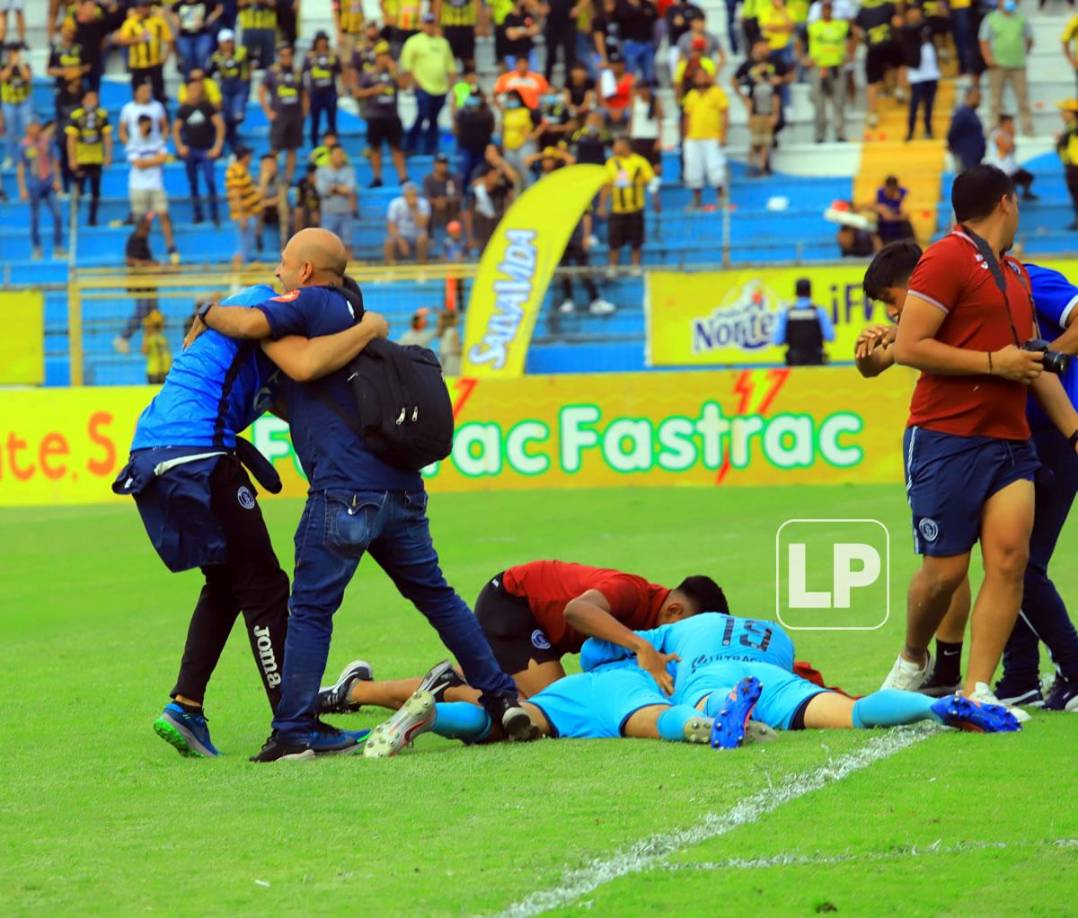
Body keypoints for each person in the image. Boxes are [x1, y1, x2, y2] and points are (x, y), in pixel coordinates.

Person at [193, 228, 534, 761]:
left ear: (305, 271)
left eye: (283, 264)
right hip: (402, 493)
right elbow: (310, 390)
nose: (275, 275)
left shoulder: (310, 301)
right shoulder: (349, 314)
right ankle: (502, 696)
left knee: (309, 608)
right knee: (437, 597)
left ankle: (294, 729)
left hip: (344, 495)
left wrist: (208, 310)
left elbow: (251, 322)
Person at [114, 281, 391, 758]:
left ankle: (186, 705)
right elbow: (251, 324)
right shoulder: (265, 303)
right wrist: (369, 328)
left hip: (161, 453)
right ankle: (295, 725)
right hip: (195, 452)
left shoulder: (275, 338)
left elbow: (297, 396)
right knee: (264, 586)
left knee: (226, 583)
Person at [887, 165, 1078, 711]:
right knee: (945, 571)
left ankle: (979, 689)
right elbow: (910, 347)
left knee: (1011, 561)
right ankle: (911, 656)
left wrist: (1074, 432)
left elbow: (1033, 365)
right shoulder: (945, 257)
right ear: (1006, 203)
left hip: (1011, 442)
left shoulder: (1014, 274)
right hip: (948, 436)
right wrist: (995, 362)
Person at [360, 612, 1019, 759]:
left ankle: (433, 714)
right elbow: (804, 668)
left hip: (644, 684)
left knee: (514, 719)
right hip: (771, 675)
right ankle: (940, 702)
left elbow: (599, 651)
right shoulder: (771, 632)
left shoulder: (680, 630)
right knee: (846, 712)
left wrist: (643, 645)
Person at [321, 562, 728, 710]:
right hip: (513, 604)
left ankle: (355, 691)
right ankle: (446, 687)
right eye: (686, 627)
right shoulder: (632, 592)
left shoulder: (656, 616)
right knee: (545, 708)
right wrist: (640, 646)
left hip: (529, 622)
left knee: (501, 696)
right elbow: (576, 611)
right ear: (674, 610)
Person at [600, 135, 659, 270]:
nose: (614, 148)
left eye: (617, 145)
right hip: (617, 209)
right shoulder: (611, 163)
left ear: (625, 146)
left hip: (635, 208)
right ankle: (613, 267)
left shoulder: (640, 162)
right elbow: (607, 185)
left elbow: (651, 181)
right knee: (613, 241)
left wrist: (656, 200)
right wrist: (602, 205)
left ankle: (635, 266)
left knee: (636, 241)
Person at [128, 114, 181, 263]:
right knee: (141, 222)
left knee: (163, 213)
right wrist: (155, 160)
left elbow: (163, 158)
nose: (149, 128)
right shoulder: (133, 141)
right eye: (146, 125)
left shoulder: (157, 139)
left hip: (156, 184)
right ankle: (142, 251)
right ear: (140, 125)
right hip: (138, 185)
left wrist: (147, 161)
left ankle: (171, 246)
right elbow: (138, 164)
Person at [354, 40, 407, 187]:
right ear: (376, 57)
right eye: (382, 55)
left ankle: (403, 178)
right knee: (375, 148)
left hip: (392, 115)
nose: (385, 58)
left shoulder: (394, 73)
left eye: (387, 55)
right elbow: (357, 93)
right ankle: (377, 178)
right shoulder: (368, 75)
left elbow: (404, 86)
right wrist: (373, 91)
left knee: (397, 147)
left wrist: (395, 71)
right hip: (375, 116)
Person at [401, 14, 455, 155]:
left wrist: (450, 83)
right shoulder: (414, 41)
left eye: (432, 23)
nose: (430, 26)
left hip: (440, 87)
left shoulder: (443, 43)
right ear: (422, 24)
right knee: (421, 115)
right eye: (427, 23)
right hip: (423, 86)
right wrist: (414, 82)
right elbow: (407, 64)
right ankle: (410, 146)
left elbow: (450, 65)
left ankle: (431, 148)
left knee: (434, 119)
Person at [174, 73, 225, 225]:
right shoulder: (183, 109)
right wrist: (180, 147)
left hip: (206, 150)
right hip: (191, 151)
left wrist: (217, 146)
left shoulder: (207, 107)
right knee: (193, 183)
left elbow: (220, 125)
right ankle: (198, 214)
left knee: (210, 181)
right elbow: (175, 129)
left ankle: (214, 214)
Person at [978, 0, 1032, 136]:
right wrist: (988, 58)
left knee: (1023, 99)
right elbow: (983, 39)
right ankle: (994, 128)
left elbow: (1029, 38)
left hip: (1018, 65)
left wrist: (1022, 53)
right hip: (998, 65)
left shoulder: (1021, 19)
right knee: (996, 100)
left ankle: (1028, 129)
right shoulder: (991, 19)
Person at [732, 38, 783, 176]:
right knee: (755, 142)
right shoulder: (749, 67)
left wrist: (775, 113)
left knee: (765, 142)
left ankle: (762, 167)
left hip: (767, 110)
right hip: (756, 110)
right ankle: (751, 167)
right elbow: (735, 79)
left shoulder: (772, 67)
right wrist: (744, 99)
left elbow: (776, 95)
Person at [804, 0, 852, 143]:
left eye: (829, 9)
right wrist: (803, 58)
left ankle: (840, 132)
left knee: (839, 101)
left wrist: (849, 54)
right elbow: (799, 41)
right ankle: (820, 134)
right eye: (824, 9)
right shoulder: (814, 27)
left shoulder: (840, 25)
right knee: (819, 102)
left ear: (832, 10)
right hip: (819, 66)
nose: (826, 12)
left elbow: (853, 35)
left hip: (836, 66)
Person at [681, 68, 728, 210]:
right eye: (698, 76)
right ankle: (696, 200)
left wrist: (723, 135)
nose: (701, 78)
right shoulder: (691, 95)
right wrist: (686, 137)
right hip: (693, 137)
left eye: (704, 75)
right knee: (693, 168)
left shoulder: (717, 93)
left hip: (712, 136)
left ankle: (721, 198)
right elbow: (687, 117)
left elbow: (724, 113)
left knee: (715, 167)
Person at [17, 121, 65, 261]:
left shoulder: (47, 141)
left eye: (38, 126)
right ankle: (37, 248)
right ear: (27, 129)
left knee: (57, 214)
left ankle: (58, 247)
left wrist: (57, 180)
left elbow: (55, 161)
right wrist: (22, 189)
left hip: (49, 182)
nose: (36, 129)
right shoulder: (24, 146)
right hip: (34, 184)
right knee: (35, 218)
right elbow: (20, 168)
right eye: (33, 126)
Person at [260, 42, 306, 184]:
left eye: (289, 55)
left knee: (292, 149)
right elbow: (261, 92)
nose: (286, 58)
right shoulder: (272, 72)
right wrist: (268, 111)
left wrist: (304, 113)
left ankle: (288, 178)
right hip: (280, 115)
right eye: (283, 56)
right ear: (278, 56)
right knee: (275, 148)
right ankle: (271, 177)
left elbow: (304, 94)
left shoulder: (297, 72)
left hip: (295, 115)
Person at [66, 86, 112, 227]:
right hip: (81, 158)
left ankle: (92, 218)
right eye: (89, 98)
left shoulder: (102, 115)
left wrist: (107, 155)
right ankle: (73, 218)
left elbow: (107, 136)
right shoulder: (76, 115)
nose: (92, 101)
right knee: (78, 190)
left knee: (95, 191)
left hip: (96, 158)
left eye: (94, 98)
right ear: (83, 100)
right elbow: (71, 138)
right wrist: (72, 158)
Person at [115, 0, 173, 104]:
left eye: (147, 6)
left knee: (159, 93)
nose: (145, 9)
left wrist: (165, 56)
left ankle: (162, 115)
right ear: (137, 8)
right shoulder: (130, 23)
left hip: (155, 62)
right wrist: (138, 39)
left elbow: (169, 39)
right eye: (142, 6)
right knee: (137, 93)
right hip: (137, 64)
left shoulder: (158, 22)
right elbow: (122, 40)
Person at [854, 0, 901, 129]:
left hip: (875, 47)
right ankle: (897, 89)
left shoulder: (863, 10)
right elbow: (897, 22)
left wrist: (864, 39)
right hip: (884, 46)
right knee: (895, 67)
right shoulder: (886, 6)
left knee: (873, 81)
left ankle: (874, 113)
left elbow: (856, 29)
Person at [771, 278, 835, 365]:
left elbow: (778, 340)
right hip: (815, 362)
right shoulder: (819, 311)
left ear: (796, 293)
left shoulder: (786, 313)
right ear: (810, 293)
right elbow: (830, 336)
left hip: (794, 362)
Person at [207, 28, 250, 152]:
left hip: (239, 86)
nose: (228, 45)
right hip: (225, 87)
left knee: (237, 115)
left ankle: (233, 140)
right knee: (226, 116)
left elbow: (253, 60)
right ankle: (232, 142)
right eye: (225, 42)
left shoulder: (242, 52)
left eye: (230, 41)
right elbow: (209, 73)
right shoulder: (215, 57)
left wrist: (248, 75)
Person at [303, 30, 341, 150]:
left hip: (330, 92)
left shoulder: (333, 55)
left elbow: (338, 73)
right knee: (315, 121)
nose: (322, 43)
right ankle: (315, 147)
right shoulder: (309, 57)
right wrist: (307, 93)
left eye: (324, 41)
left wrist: (340, 89)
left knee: (332, 121)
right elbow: (305, 75)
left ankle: (334, 146)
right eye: (320, 41)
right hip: (315, 94)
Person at [315, 143, 356, 255]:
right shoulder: (321, 171)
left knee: (347, 242)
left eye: (341, 154)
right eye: (337, 154)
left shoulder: (349, 170)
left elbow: (350, 189)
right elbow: (321, 190)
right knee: (327, 244)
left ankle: (351, 267)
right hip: (329, 212)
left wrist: (333, 188)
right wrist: (341, 189)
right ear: (330, 156)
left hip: (345, 211)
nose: (339, 157)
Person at [904, 9, 939, 142]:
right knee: (915, 104)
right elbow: (913, 31)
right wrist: (923, 23)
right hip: (917, 74)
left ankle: (928, 130)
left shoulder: (927, 30)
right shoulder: (907, 30)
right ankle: (910, 131)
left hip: (932, 73)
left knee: (929, 104)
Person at [225, 144, 262, 265]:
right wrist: (242, 216)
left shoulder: (241, 170)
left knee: (246, 246)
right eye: (249, 156)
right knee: (242, 248)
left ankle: (238, 277)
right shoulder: (236, 170)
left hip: (248, 213)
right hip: (244, 215)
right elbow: (236, 195)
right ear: (245, 157)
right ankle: (236, 280)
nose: (251, 158)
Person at [986, 114, 1036, 202]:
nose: (1011, 125)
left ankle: (1026, 194)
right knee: (1010, 188)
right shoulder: (998, 134)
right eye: (1009, 123)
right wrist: (1012, 135)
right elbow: (1006, 148)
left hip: (1011, 167)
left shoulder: (1006, 134)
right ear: (1003, 123)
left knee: (1028, 177)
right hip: (1002, 167)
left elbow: (1013, 149)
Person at [0, 41, 31, 170]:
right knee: (11, 131)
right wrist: (11, 65)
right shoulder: (3, 65)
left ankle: (28, 157)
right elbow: (2, 77)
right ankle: (10, 157)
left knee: (27, 129)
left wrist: (19, 63)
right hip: (8, 101)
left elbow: (27, 77)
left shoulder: (25, 64)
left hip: (24, 101)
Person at [454, 88, 495, 184]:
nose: (474, 98)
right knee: (463, 173)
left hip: (482, 149)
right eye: (472, 96)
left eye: (477, 96)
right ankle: (462, 195)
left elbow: (491, 128)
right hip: (465, 148)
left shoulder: (487, 113)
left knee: (478, 174)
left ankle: (474, 196)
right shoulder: (462, 112)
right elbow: (456, 128)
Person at [171, 0, 222, 75]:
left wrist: (210, 19)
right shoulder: (179, 4)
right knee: (187, 57)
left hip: (202, 34)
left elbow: (219, 8)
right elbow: (172, 12)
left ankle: (202, 78)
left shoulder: (205, 2)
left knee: (202, 55)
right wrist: (176, 21)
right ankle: (189, 79)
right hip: (185, 35)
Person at [385, 181, 431, 264]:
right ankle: (390, 269)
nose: (411, 197)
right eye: (408, 195)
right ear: (404, 195)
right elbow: (391, 226)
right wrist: (401, 241)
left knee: (423, 239)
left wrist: (414, 208)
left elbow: (422, 224)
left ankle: (422, 267)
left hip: (418, 234)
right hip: (401, 234)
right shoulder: (395, 203)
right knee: (389, 242)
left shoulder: (423, 203)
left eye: (413, 195)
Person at [119, 78, 169, 148]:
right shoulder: (127, 108)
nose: (147, 94)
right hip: (135, 147)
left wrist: (162, 142)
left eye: (149, 91)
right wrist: (130, 146)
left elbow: (165, 127)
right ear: (136, 93)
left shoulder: (158, 106)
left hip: (155, 146)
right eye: (144, 91)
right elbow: (122, 131)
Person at [947, 85, 985, 174]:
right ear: (969, 96)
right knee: (966, 183)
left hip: (972, 157)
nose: (980, 100)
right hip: (965, 156)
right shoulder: (962, 112)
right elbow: (953, 131)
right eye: (978, 97)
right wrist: (953, 146)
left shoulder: (972, 113)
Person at [423, 152, 462, 234]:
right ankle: (430, 235)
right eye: (439, 163)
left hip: (450, 209)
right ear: (434, 164)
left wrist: (444, 200)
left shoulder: (454, 178)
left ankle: (454, 235)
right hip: (433, 209)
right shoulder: (428, 179)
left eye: (444, 164)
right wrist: (437, 201)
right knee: (427, 208)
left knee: (456, 207)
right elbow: (426, 197)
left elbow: (458, 196)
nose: (442, 166)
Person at [440, 0, 480, 70]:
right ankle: (448, 79)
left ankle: (469, 78)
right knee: (448, 58)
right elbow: (438, 3)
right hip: (449, 25)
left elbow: (476, 3)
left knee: (469, 59)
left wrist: (479, 24)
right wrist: (437, 26)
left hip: (467, 25)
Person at [236, 0, 276, 69]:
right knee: (246, 56)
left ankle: (268, 77)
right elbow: (240, 3)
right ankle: (246, 77)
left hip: (267, 27)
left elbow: (273, 3)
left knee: (268, 58)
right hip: (249, 27)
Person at [874, 175, 915, 244]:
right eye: (888, 189)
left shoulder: (903, 193)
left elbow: (906, 215)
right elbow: (880, 209)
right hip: (884, 227)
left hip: (899, 227)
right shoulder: (880, 192)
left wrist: (900, 200)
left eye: (892, 190)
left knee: (906, 224)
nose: (889, 192)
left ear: (896, 189)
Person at [1059, 99, 1078, 232]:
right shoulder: (1071, 128)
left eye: (1065, 111)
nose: (1062, 114)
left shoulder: (1074, 129)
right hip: (1071, 166)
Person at [141, 309, 172, 384]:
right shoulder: (148, 338)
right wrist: (146, 334)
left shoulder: (163, 338)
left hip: (165, 370)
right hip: (154, 372)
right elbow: (144, 351)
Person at [291, 161, 321, 230]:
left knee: (316, 215)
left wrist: (315, 209)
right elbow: (299, 199)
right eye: (311, 175)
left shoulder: (320, 184)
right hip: (305, 207)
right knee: (298, 212)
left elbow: (320, 199)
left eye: (314, 175)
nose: (312, 177)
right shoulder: (302, 182)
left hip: (318, 208)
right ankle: (298, 235)